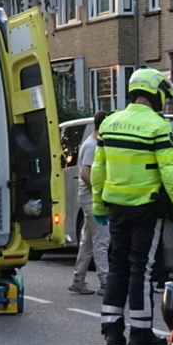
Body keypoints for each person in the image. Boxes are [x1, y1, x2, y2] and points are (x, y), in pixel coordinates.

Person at [92, 68, 173, 345]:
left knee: (117, 267)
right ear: (154, 93)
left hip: (116, 208)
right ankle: (140, 331)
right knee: (141, 270)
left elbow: (99, 169)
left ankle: (111, 330)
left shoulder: (109, 123)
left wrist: (99, 203)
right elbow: (171, 174)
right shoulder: (158, 127)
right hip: (146, 208)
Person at [69, 110, 110, 295]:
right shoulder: (93, 146)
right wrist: (100, 192)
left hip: (88, 197)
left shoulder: (90, 143)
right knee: (101, 239)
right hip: (92, 198)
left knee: (88, 241)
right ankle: (105, 282)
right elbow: (86, 173)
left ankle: (78, 279)